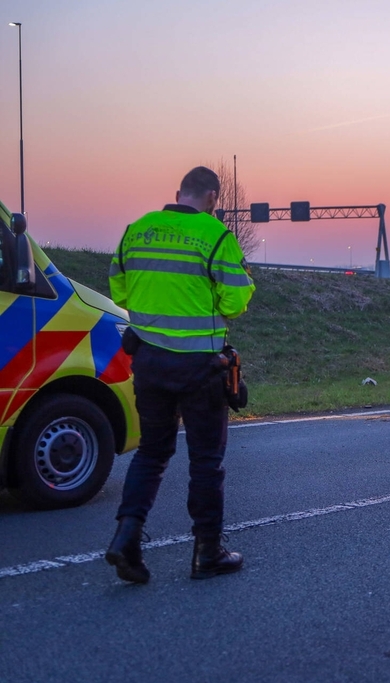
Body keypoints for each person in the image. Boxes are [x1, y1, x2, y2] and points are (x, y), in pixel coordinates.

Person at [105, 167, 256, 584]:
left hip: (149, 363)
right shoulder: (215, 236)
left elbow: (119, 289)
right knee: (206, 460)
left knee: (152, 453)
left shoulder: (138, 230)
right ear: (212, 197)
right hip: (201, 368)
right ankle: (207, 553)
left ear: (177, 193)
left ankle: (126, 537)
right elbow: (236, 300)